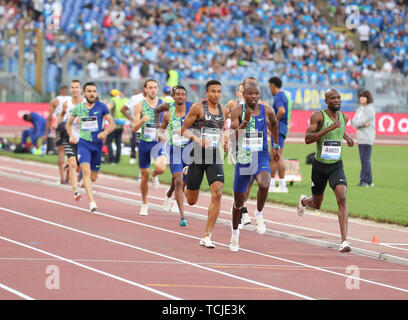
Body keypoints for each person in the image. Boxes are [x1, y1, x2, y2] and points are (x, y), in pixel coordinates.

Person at [297, 88, 354, 253]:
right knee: (317, 204)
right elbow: (307, 139)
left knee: (342, 196)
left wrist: (348, 138)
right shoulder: (318, 116)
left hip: (336, 165)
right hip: (319, 166)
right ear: (326, 101)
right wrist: (329, 129)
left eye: (339, 97)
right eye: (332, 98)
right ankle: (303, 202)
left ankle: (344, 241)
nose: (337, 100)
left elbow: (340, 129)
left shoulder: (344, 117)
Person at [229, 82, 280, 252]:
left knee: (265, 184)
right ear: (244, 95)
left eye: (256, 94)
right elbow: (234, 137)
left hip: (261, 155)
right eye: (250, 94)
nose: (254, 97)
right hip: (244, 157)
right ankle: (234, 235)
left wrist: (276, 144)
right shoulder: (237, 111)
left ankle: (258, 213)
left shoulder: (267, 110)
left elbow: (274, 124)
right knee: (238, 201)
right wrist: (245, 122)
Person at [181, 79, 229, 248]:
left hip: (214, 156)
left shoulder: (224, 110)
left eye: (219, 91)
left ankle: (207, 235)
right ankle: (185, 178)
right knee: (192, 201)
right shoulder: (198, 108)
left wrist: (225, 140)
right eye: (213, 91)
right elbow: (184, 130)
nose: (217, 94)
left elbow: (221, 129)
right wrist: (196, 139)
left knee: (217, 192)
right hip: (197, 155)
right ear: (207, 93)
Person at [66, 82, 116, 212]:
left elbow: (112, 124)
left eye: (94, 91)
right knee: (86, 173)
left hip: (97, 146)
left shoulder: (102, 106)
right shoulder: (78, 108)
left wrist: (104, 133)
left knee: (93, 177)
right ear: (84, 93)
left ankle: (85, 183)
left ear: (97, 93)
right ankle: (92, 202)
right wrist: (71, 135)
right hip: (84, 144)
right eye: (89, 91)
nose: (92, 94)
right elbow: (68, 124)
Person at [157, 85, 192, 226]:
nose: (180, 96)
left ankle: (169, 193)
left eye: (183, 94)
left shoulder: (191, 113)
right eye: (177, 94)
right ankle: (182, 216)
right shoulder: (168, 114)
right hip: (175, 150)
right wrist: (161, 135)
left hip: (190, 151)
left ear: (186, 97)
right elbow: (161, 129)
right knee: (178, 178)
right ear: (173, 96)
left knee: (184, 181)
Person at [132, 79, 168, 216]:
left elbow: (168, 122)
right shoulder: (139, 106)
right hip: (144, 144)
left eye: (155, 87)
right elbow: (134, 128)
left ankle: (155, 175)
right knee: (144, 177)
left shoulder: (164, 104)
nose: (153, 90)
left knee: (162, 167)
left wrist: (165, 133)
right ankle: (145, 203)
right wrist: (142, 120)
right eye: (150, 87)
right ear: (145, 89)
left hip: (157, 143)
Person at [55, 79, 85, 201]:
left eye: (77, 87)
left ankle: (68, 163)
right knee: (73, 164)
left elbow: (94, 120)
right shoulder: (67, 103)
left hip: (83, 138)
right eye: (72, 87)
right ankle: (75, 192)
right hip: (69, 137)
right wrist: (55, 123)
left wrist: (82, 120)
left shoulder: (86, 103)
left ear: (81, 89)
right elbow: (62, 114)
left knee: (79, 166)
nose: (74, 89)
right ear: (70, 89)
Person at [44, 85, 70, 184]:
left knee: (61, 152)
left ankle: (62, 178)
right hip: (70, 125)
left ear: (60, 91)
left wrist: (46, 133)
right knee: (70, 153)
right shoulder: (72, 100)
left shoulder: (55, 101)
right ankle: (68, 177)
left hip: (60, 126)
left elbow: (50, 117)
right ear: (68, 91)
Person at [268, 77, 290, 193]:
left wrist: (273, 122)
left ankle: (276, 184)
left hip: (278, 128)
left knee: (276, 156)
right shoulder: (283, 95)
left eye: (269, 87)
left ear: (272, 85)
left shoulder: (278, 96)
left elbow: (281, 111)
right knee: (277, 156)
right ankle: (280, 184)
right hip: (282, 128)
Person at [351, 90, 376, 187]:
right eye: (360, 96)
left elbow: (359, 122)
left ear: (368, 98)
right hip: (360, 137)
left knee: (365, 159)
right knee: (364, 159)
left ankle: (364, 180)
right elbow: (354, 122)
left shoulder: (370, 109)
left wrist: (358, 123)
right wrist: (360, 124)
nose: (361, 98)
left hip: (367, 137)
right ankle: (369, 181)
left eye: (364, 96)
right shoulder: (359, 109)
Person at [121, 89, 144, 165]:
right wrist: (132, 119)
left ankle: (146, 158)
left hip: (146, 125)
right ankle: (133, 157)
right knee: (134, 141)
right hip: (135, 124)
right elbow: (123, 110)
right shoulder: (135, 98)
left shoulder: (155, 99)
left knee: (145, 142)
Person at [106, 89, 129, 164]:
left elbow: (107, 108)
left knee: (108, 142)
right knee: (118, 143)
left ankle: (111, 160)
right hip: (121, 124)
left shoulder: (113, 100)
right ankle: (117, 160)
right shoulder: (124, 100)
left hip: (114, 124)